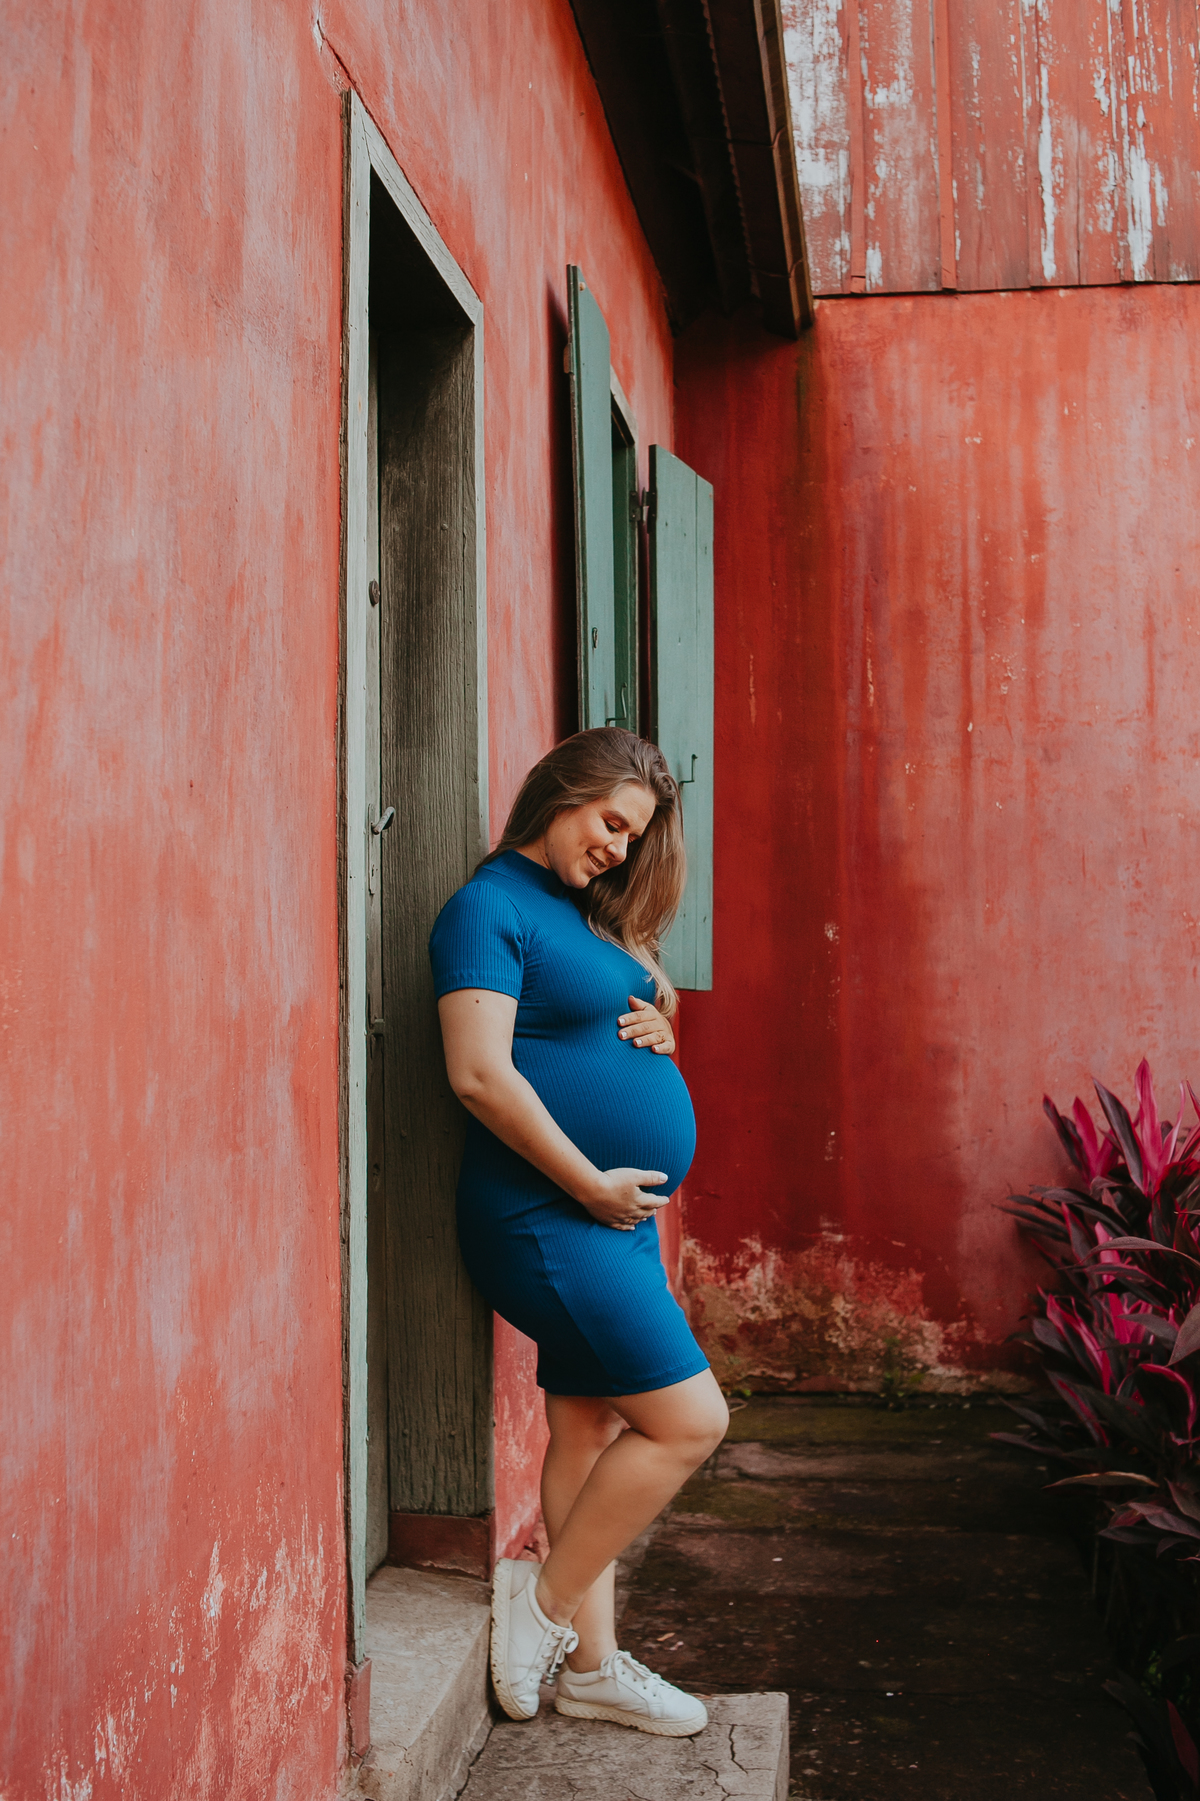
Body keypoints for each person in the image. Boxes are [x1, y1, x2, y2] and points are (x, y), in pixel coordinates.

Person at [429, 727, 728, 1737]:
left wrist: (658, 1023)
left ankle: (593, 1670)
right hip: (548, 1214)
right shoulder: (487, 909)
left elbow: (596, 1018)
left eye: (634, 838)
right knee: (691, 1422)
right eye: (611, 823)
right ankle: (543, 1609)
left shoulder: (580, 913)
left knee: (591, 1423)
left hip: (607, 1214)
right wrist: (592, 1184)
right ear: (559, 793)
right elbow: (479, 1074)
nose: (619, 848)